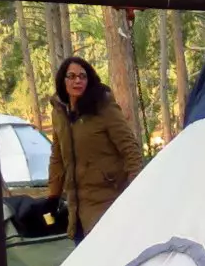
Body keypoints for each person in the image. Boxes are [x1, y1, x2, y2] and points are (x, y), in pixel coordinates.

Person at [46, 56, 144, 242]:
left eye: (83, 76)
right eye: (72, 76)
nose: (78, 81)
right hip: (77, 208)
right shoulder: (59, 112)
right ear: (62, 80)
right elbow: (57, 157)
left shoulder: (103, 106)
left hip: (108, 202)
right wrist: (53, 196)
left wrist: (135, 189)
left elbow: (129, 148)